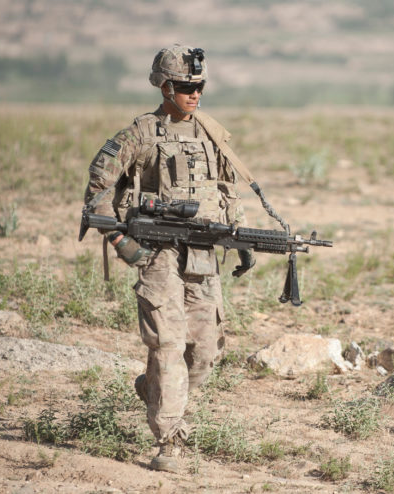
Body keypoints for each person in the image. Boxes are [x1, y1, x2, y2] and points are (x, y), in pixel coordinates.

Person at [82, 44, 255, 473]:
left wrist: (241, 235)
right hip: (157, 253)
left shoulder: (212, 133)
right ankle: (169, 440)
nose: (193, 94)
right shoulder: (140, 134)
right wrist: (122, 242)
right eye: (184, 86)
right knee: (168, 344)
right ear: (164, 86)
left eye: (199, 86)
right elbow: (98, 190)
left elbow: (227, 187)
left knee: (205, 350)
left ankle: (154, 387)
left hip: (201, 252)